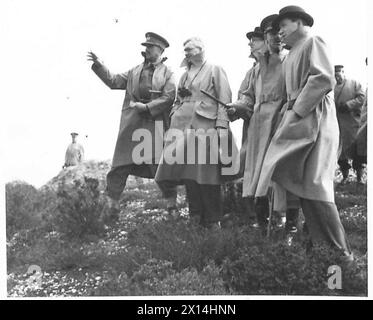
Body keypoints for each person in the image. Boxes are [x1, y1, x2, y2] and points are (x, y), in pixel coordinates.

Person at [255, 6, 353, 263]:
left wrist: (296, 109)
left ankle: (339, 259)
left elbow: (323, 79)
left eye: (283, 26)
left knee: (315, 185)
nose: (280, 33)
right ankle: (319, 248)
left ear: (298, 22)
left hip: (315, 120)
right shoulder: (291, 54)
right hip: (299, 120)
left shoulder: (313, 41)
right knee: (293, 177)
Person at [87, 32, 177, 212]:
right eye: (146, 47)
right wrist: (99, 65)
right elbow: (113, 81)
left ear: (160, 50)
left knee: (159, 167)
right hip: (132, 126)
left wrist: (148, 107)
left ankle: (172, 208)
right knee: (119, 167)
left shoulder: (168, 74)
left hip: (154, 125)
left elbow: (169, 97)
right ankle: (109, 211)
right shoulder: (134, 71)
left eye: (150, 47)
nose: (147, 50)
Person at [155, 37, 238, 229]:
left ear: (201, 49)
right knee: (188, 173)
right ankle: (195, 217)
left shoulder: (215, 69)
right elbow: (178, 100)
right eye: (184, 50)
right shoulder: (184, 75)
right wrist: (175, 115)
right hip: (183, 128)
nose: (186, 52)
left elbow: (224, 98)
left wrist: (222, 126)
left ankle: (213, 219)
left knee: (207, 174)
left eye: (189, 49)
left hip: (206, 126)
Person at [228, 15, 299, 235]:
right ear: (266, 37)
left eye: (279, 32)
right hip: (258, 127)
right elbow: (248, 96)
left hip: (282, 123)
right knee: (257, 174)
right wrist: (237, 107)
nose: (276, 37)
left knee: (285, 173)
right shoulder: (257, 67)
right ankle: (262, 224)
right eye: (270, 33)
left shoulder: (291, 60)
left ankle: (291, 227)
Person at [334, 65, 366, 183]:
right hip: (337, 123)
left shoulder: (354, 83)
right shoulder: (331, 87)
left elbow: (362, 97)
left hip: (352, 123)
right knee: (341, 153)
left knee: (357, 150)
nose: (337, 78)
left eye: (339, 74)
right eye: (335, 75)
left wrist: (348, 105)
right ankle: (345, 176)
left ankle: (359, 177)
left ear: (343, 72)